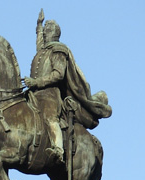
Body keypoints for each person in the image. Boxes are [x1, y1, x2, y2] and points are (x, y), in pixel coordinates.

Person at [23, 9, 112, 163]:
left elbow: (58, 74)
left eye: (46, 30)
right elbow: (40, 45)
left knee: (50, 118)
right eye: (44, 31)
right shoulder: (45, 50)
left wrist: (37, 82)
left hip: (50, 95)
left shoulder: (59, 50)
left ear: (54, 33)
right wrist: (38, 25)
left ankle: (58, 149)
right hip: (35, 93)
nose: (44, 33)